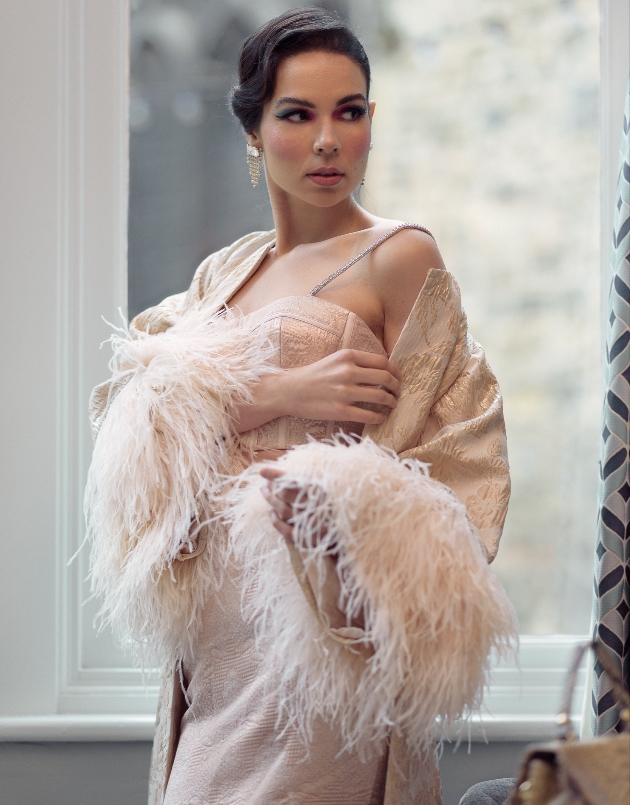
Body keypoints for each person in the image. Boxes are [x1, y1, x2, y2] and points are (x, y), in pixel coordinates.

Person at [86, 8, 517, 805]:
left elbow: (461, 456)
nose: (327, 140)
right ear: (253, 132)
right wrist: (271, 395)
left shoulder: (400, 254)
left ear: (371, 121)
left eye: (348, 112)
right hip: (213, 652)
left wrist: (337, 510)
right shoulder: (225, 271)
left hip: (319, 648)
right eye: (297, 115)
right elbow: (126, 410)